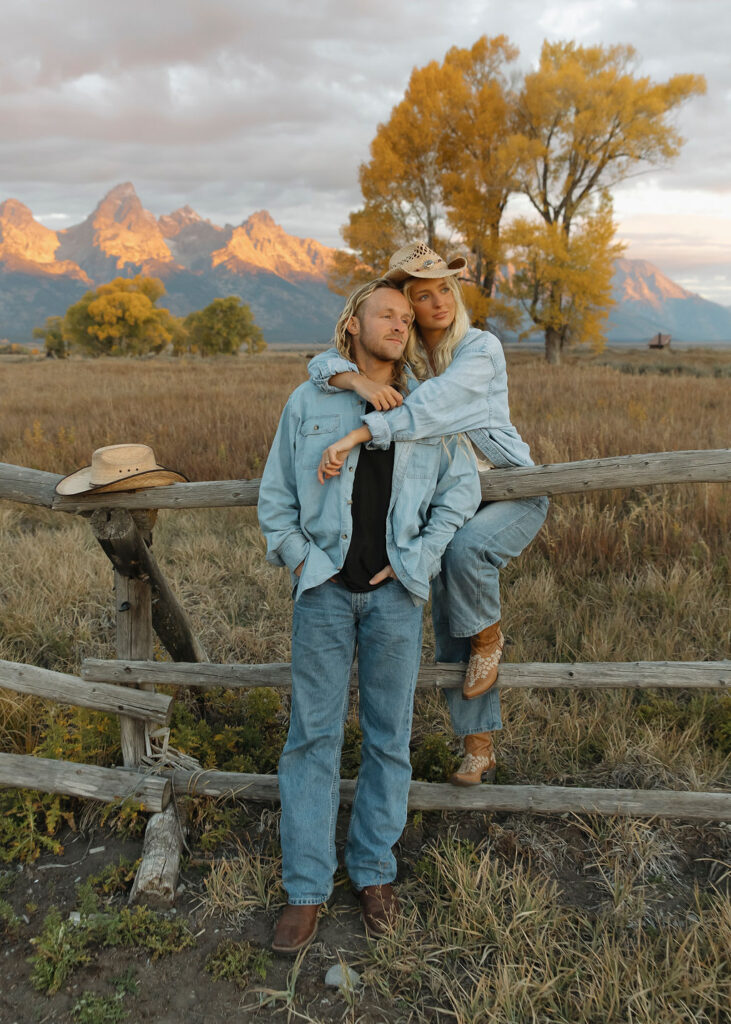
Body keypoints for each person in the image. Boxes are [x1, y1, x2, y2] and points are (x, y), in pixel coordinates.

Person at [258, 277, 480, 954]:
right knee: (311, 739)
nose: (398, 325)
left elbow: (459, 491)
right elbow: (274, 498)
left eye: (406, 320)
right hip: (323, 591)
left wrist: (417, 560)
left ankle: (374, 873)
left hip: (394, 598)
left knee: (389, 738)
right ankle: (304, 890)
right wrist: (304, 560)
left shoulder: (425, 410)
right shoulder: (308, 401)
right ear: (352, 325)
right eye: (384, 314)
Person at [309, 242, 548, 787]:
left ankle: (489, 639)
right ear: (409, 305)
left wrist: (361, 431)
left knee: (464, 553)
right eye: (422, 294)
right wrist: (358, 381)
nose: (438, 300)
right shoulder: (410, 361)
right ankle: (477, 746)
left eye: (446, 288)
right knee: (442, 606)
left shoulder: (480, 350)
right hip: (451, 497)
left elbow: (432, 409)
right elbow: (322, 362)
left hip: (511, 491)